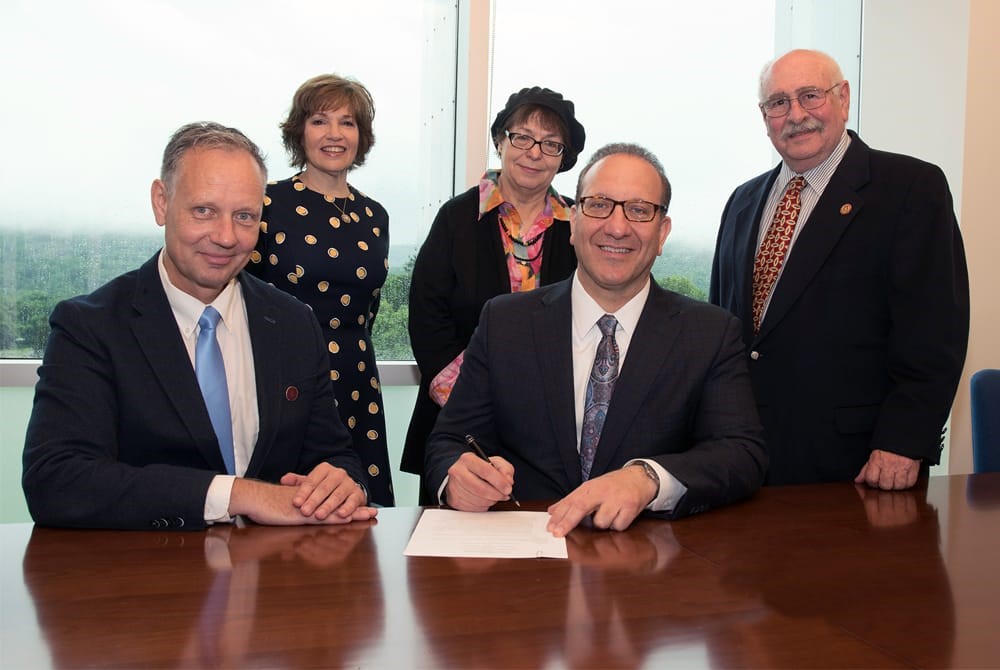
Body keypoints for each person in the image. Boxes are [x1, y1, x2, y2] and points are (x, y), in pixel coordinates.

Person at [22, 122, 377, 530]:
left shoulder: (294, 322)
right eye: (204, 211)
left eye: (245, 216)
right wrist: (239, 494)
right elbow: (55, 480)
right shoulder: (90, 326)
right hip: (146, 579)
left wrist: (342, 482)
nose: (226, 237)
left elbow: (333, 456)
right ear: (161, 202)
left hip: (276, 577)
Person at [424, 143, 767, 536]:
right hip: (523, 564)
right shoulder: (505, 322)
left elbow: (742, 453)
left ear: (662, 233)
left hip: (651, 569)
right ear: (573, 221)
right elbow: (448, 441)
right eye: (600, 204)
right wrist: (456, 478)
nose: (617, 227)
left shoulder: (709, 332)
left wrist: (649, 479)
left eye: (639, 210)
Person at [710, 49, 970, 490]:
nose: (795, 115)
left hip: (860, 466)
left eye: (810, 96)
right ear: (764, 115)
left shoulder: (910, 189)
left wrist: (904, 442)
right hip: (745, 458)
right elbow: (721, 327)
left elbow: (934, 333)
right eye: (778, 103)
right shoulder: (742, 201)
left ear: (843, 97)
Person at [403, 86, 585, 503]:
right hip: (459, 418)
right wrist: (464, 399)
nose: (533, 152)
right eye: (522, 137)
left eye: (551, 144)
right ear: (501, 139)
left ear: (563, 158)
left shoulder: (579, 222)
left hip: (553, 420)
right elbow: (426, 315)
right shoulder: (456, 217)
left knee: (545, 542)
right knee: (452, 554)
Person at [245, 74, 394, 506]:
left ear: (360, 137)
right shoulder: (267, 204)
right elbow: (246, 299)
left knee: (357, 510)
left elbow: (369, 309)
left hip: (357, 376)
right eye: (319, 121)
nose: (334, 134)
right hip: (284, 378)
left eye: (347, 123)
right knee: (286, 506)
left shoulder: (375, 215)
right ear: (299, 131)